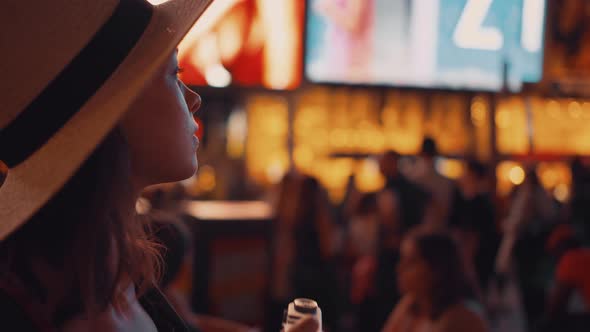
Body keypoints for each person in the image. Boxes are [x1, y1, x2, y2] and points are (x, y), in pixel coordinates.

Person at [0, 1, 318, 331]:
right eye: (175, 75)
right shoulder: (73, 310)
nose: (194, 99)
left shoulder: (114, 271)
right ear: (113, 108)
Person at [267, 174, 340, 332]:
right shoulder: (314, 216)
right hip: (311, 281)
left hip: (303, 281)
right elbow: (329, 248)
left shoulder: (292, 217)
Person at [382, 231, 488, 332]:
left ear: (437, 270)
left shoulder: (463, 319)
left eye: (411, 262)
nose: (400, 268)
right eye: (402, 260)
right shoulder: (410, 304)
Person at [450, 159, 499, 295]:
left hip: (477, 255)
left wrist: (467, 258)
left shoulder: (479, 202)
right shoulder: (463, 199)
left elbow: (474, 234)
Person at [414, 137, 455, 230]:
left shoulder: (415, 180)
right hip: (443, 229)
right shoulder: (447, 182)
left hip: (422, 231)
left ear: (421, 153)